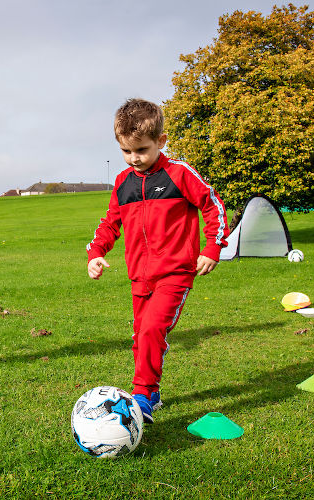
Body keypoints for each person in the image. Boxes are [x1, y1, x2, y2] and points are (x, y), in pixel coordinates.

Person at [86, 98, 228, 423]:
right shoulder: (123, 183)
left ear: (161, 142)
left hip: (175, 274)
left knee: (151, 330)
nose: (134, 159)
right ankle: (151, 394)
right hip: (139, 277)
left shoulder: (180, 174)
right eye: (126, 151)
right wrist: (96, 254)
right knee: (140, 336)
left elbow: (213, 206)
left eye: (142, 150)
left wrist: (212, 249)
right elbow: (110, 223)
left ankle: (140, 398)